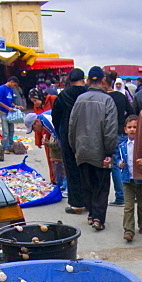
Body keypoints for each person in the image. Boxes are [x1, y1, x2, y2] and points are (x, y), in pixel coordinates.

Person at [68, 66, 119, 231]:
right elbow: (111, 130)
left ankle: (91, 215)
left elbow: (72, 126)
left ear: (88, 80)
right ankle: (98, 218)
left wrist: (74, 147)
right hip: (100, 151)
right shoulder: (107, 101)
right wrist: (109, 152)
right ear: (103, 81)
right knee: (101, 186)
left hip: (82, 150)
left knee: (87, 184)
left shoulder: (79, 100)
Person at [51, 68, 89, 214]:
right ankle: (89, 202)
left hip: (68, 134)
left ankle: (76, 204)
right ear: (83, 79)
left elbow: (56, 117)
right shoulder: (88, 94)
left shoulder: (63, 96)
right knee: (87, 169)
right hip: (87, 135)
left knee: (72, 169)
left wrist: (61, 132)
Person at [118, 114, 142, 242]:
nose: (132, 129)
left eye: (135, 127)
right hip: (127, 179)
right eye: (129, 127)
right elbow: (119, 158)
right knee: (128, 206)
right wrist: (120, 164)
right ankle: (128, 230)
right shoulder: (122, 145)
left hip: (140, 178)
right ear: (125, 129)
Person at [105, 70, 131, 206]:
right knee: (124, 162)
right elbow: (132, 113)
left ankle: (120, 197)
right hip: (122, 132)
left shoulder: (104, 98)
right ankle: (129, 195)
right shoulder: (121, 97)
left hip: (110, 133)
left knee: (115, 164)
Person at [24, 111, 63, 188]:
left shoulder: (46, 121)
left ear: (36, 121)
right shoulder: (43, 120)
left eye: (33, 128)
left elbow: (60, 138)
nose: (34, 131)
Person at [0, 76, 21, 153]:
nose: (14, 86)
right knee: (5, 131)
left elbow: (10, 102)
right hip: (3, 112)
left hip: (10, 112)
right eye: (14, 85)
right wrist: (8, 108)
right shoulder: (1, 88)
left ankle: (10, 146)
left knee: (11, 130)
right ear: (11, 82)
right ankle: (5, 148)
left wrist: (16, 106)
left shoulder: (11, 90)